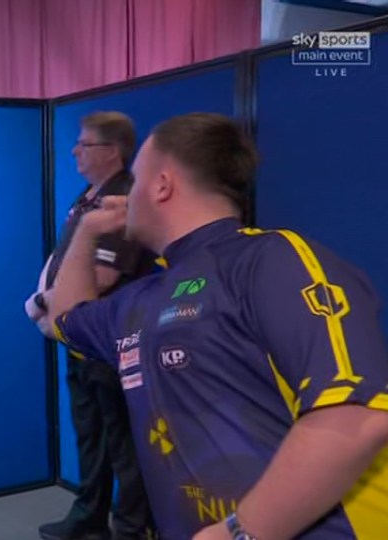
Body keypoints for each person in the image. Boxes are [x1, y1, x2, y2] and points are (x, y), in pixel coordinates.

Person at [38, 112, 388, 539]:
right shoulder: (142, 299)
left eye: (136, 177)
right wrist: (89, 230)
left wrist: (240, 532)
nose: (127, 193)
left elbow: (356, 417)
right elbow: (62, 320)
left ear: (162, 185)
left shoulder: (272, 260)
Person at [26, 111, 156, 540]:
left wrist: (44, 302)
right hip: (79, 338)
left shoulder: (123, 200)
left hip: (110, 342)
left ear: (112, 152)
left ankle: (130, 527)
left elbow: (102, 277)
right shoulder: (87, 196)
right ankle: (90, 515)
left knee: (123, 439)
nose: (74, 150)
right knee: (90, 433)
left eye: (84, 144)